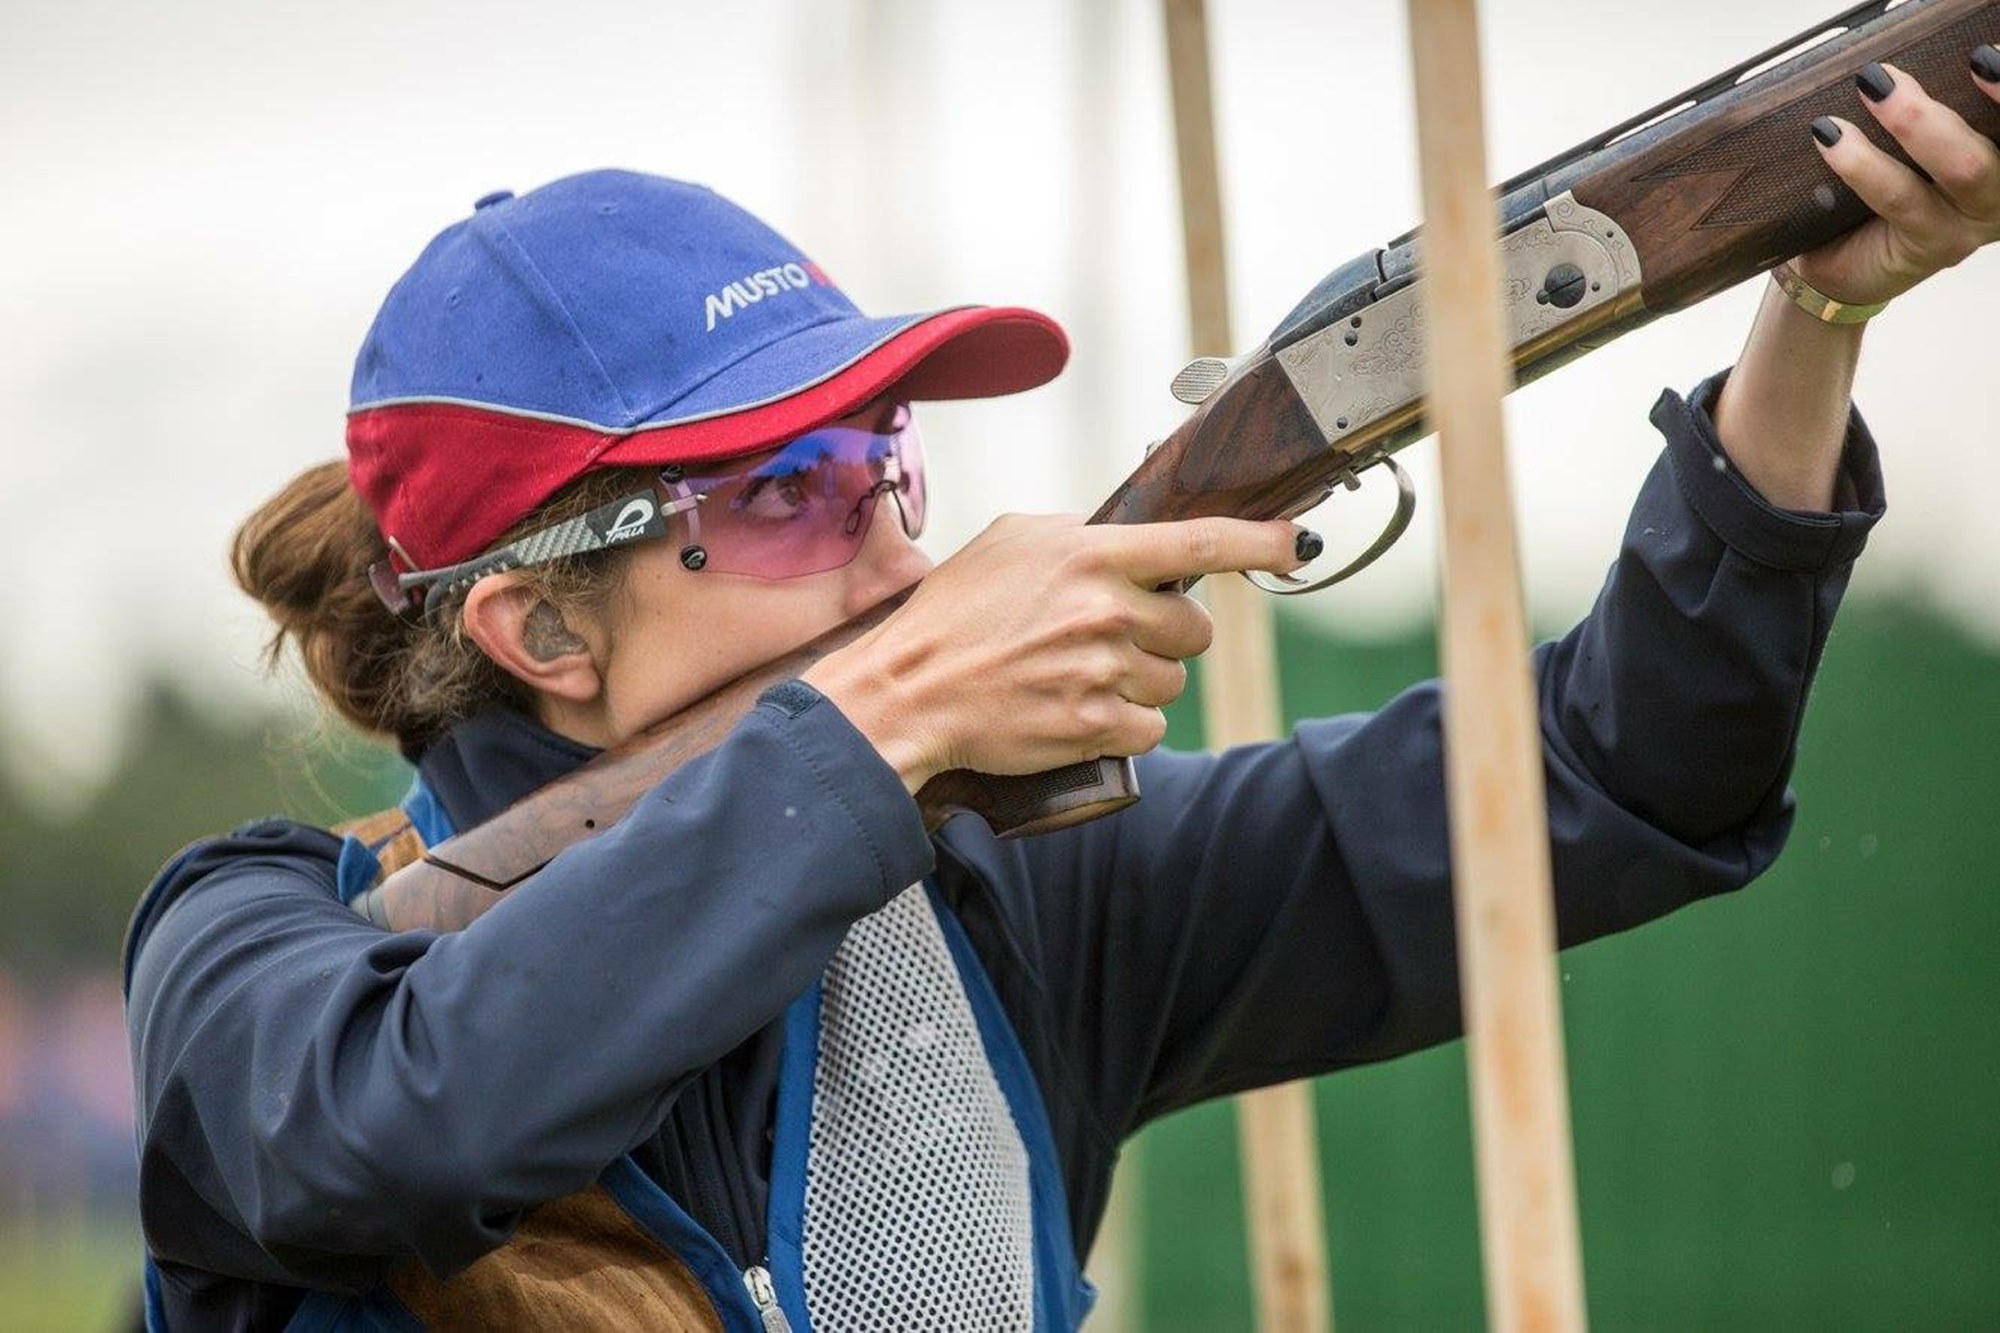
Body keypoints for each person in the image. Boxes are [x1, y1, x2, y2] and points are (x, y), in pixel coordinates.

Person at [123, 56, 2000, 1332]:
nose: (892, 552)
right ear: (542, 629)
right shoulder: (261, 945)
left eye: (887, 462)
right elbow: (392, 1132)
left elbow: (1608, 776)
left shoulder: (1010, 890)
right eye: (787, 494)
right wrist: (885, 725)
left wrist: (1816, 314)